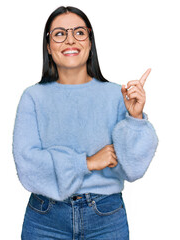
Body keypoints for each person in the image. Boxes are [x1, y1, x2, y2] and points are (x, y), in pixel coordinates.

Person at [12, 5, 158, 240]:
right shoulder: (33, 97)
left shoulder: (117, 95)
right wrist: (88, 162)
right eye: (60, 34)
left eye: (79, 32)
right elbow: (28, 166)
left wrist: (135, 119)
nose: (70, 40)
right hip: (45, 219)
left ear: (90, 42)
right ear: (48, 46)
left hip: (106, 218)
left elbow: (132, 169)